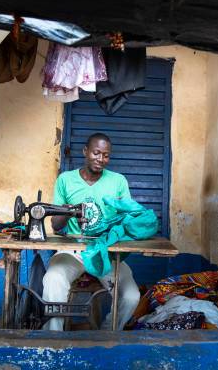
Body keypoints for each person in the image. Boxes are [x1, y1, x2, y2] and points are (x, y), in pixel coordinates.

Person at [42, 132, 140, 331]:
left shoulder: (118, 181)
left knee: (131, 296)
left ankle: (107, 333)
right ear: (85, 151)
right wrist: (71, 210)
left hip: (105, 253)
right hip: (72, 252)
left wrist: (126, 218)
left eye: (106, 155)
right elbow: (56, 225)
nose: (101, 159)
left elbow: (127, 218)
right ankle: (53, 337)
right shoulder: (65, 180)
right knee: (53, 279)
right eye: (96, 153)